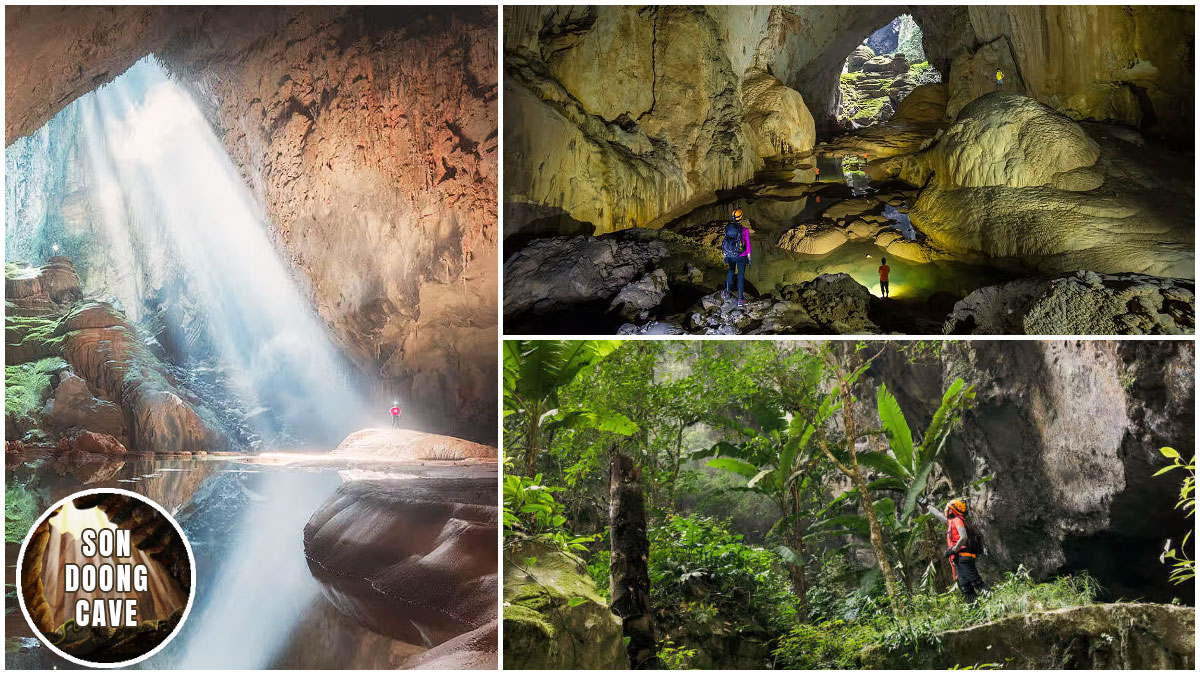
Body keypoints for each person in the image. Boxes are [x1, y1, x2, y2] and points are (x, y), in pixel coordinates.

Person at [919, 496, 986, 603]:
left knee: (976, 582)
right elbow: (940, 516)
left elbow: (963, 537)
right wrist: (928, 506)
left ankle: (994, 603)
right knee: (965, 587)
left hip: (964, 557)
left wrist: (953, 550)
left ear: (952, 510)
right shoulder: (952, 522)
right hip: (959, 559)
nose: (946, 510)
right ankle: (977, 610)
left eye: (948, 508)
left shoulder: (958, 520)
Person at [722, 207, 752, 306]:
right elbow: (747, 244)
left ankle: (726, 292)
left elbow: (725, 241)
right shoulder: (744, 230)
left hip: (730, 254)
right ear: (741, 217)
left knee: (730, 271)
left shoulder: (727, 228)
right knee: (740, 275)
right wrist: (749, 256)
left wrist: (725, 254)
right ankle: (740, 299)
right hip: (741, 255)